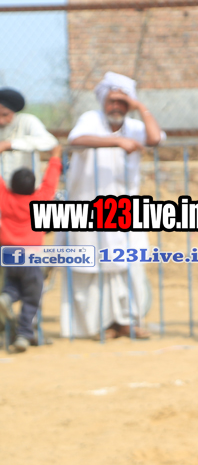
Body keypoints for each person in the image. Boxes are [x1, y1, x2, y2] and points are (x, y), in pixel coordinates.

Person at [63, 72, 164, 339]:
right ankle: (98, 325)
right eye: (112, 101)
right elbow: (76, 140)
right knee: (91, 266)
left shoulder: (134, 125)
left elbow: (155, 138)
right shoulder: (91, 119)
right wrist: (117, 141)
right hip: (89, 208)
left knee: (128, 263)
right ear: (103, 101)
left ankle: (127, 321)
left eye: (122, 102)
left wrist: (139, 106)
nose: (116, 106)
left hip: (125, 210)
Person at [0, 143, 61, 353]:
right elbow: (50, 182)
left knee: (12, 286)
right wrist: (55, 157)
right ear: (33, 187)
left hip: (7, 256)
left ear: (11, 185)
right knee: (32, 296)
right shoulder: (39, 200)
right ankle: (24, 334)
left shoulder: (4, 199)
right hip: (30, 257)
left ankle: (7, 298)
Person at [0, 87, 58, 187]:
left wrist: (10, 144)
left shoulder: (27, 121)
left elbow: (50, 142)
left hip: (25, 188)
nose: (1, 120)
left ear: (13, 111)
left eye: (5, 115)